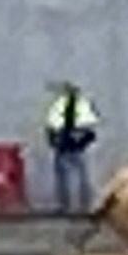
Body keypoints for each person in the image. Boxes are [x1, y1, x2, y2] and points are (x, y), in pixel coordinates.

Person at [41, 79, 99, 218]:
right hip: (65, 149)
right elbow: (51, 128)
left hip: (75, 149)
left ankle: (81, 205)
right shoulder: (61, 109)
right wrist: (54, 142)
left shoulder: (80, 109)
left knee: (80, 177)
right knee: (68, 178)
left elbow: (90, 131)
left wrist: (81, 141)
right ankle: (68, 205)